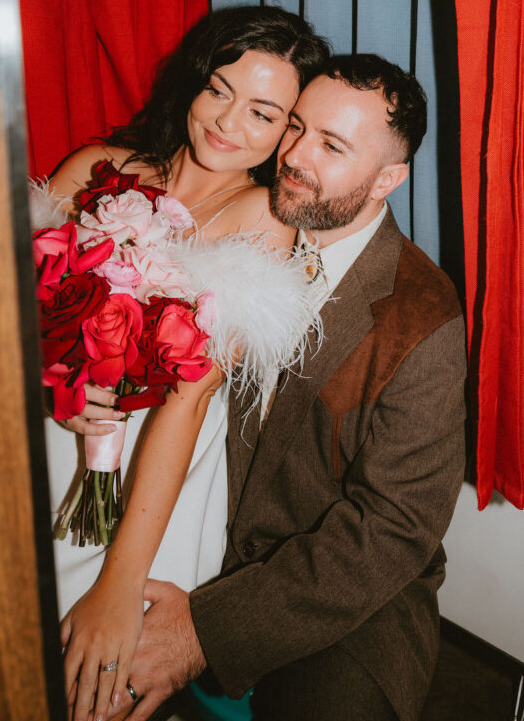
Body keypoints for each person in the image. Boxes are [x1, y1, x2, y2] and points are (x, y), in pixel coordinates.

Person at [94, 53, 468, 721]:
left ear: (388, 179)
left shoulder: (422, 313)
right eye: (295, 127)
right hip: (193, 533)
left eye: (331, 145)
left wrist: (205, 629)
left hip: (337, 596)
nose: (294, 155)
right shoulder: (248, 231)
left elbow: (392, 528)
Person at [42, 4, 330, 633]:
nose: (228, 122)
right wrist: (47, 378)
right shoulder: (98, 166)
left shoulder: (262, 216)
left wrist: (119, 586)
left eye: (262, 113)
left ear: (289, 132)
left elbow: (188, 400)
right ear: (195, 81)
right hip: (42, 431)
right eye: (218, 89)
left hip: (154, 467)